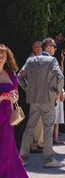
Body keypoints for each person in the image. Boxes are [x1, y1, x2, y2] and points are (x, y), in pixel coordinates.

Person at [18, 37, 65, 168]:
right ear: (47, 48)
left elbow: (19, 77)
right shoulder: (52, 60)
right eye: (53, 47)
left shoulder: (30, 61)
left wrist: (28, 89)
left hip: (34, 99)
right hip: (48, 100)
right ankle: (48, 160)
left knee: (29, 127)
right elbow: (60, 77)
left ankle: (23, 158)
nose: (55, 49)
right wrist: (57, 92)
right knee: (48, 129)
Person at [0, 44, 28, 178]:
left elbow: (16, 92)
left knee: (7, 150)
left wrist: (14, 97)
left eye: (3, 55)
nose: (0, 58)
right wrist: (3, 96)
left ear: (7, 58)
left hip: (7, 116)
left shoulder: (11, 73)